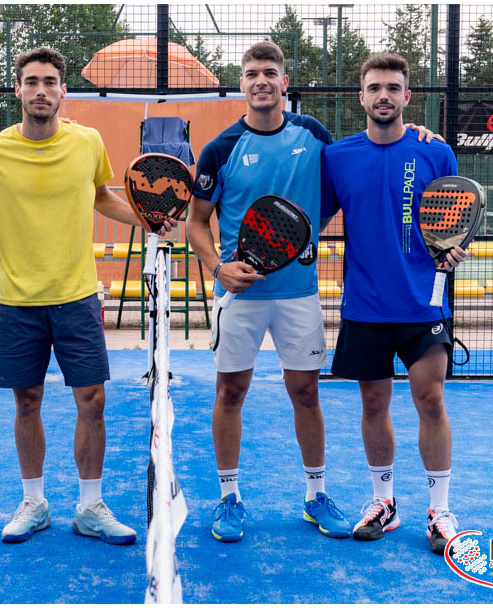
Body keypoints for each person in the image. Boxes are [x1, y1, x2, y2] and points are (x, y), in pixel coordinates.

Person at [0, 47, 174, 546]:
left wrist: (150, 220)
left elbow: (103, 197)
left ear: (63, 91)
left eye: (50, 82)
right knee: (27, 401)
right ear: (17, 89)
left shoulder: (88, 141)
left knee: (92, 401)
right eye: (32, 81)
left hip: (78, 298)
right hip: (18, 301)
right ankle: (33, 502)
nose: (41, 90)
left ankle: (90, 506)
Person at [186, 41, 353, 543]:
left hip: (299, 293)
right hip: (240, 296)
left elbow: (343, 183)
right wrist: (218, 267)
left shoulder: (313, 134)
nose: (261, 81)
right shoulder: (221, 148)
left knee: (306, 392)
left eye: (270, 72)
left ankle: (315, 496)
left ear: (284, 82)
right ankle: (229, 498)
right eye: (252, 73)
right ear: (242, 84)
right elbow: (196, 222)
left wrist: (300, 237)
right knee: (230, 393)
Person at [321, 53, 468, 555]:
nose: (383, 95)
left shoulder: (436, 152)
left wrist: (454, 250)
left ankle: (440, 511)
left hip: (424, 304)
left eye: (392, 87)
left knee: (431, 400)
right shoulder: (336, 156)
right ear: (361, 97)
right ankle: (383, 503)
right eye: (374, 87)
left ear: (407, 96)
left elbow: (451, 224)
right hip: (364, 305)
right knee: (373, 404)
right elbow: (314, 217)